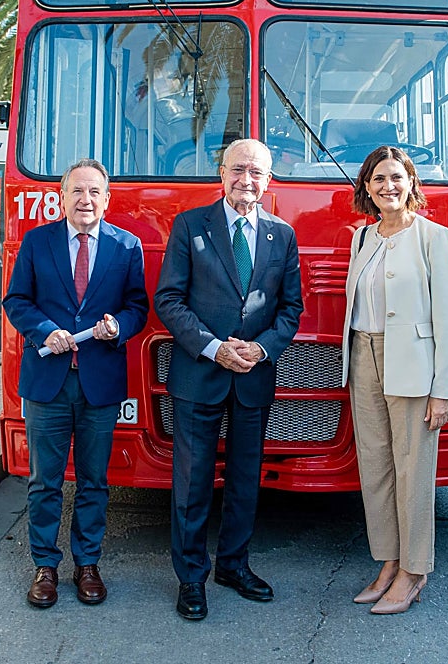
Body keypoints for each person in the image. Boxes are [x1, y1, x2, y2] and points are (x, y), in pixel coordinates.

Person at [154, 138, 304, 621]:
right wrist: (215, 347)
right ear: (221, 175)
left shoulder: (281, 235)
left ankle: (233, 566)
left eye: (257, 172)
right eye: (238, 170)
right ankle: (191, 578)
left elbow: (291, 308)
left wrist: (261, 349)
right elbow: (169, 301)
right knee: (192, 483)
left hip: (253, 377)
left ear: (268, 180)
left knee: (244, 482)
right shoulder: (190, 226)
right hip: (200, 374)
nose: (247, 180)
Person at [2, 159, 149, 609]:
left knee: (93, 481)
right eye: (77, 192)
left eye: (95, 192)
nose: (86, 200)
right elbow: (15, 300)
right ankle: (45, 567)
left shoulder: (127, 247)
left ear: (107, 199)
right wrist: (45, 329)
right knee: (45, 481)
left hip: (99, 384)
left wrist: (117, 327)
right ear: (62, 197)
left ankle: (88, 564)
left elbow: (138, 306)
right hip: (48, 382)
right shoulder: (36, 242)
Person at [342, 145, 448, 615]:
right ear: (366, 189)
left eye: (396, 177)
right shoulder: (362, 238)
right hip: (364, 357)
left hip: (412, 365)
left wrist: (443, 389)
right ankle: (389, 562)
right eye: (377, 179)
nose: (387, 186)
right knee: (375, 468)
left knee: (413, 470)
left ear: (411, 183)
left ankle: (415, 571)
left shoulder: (435, 237)